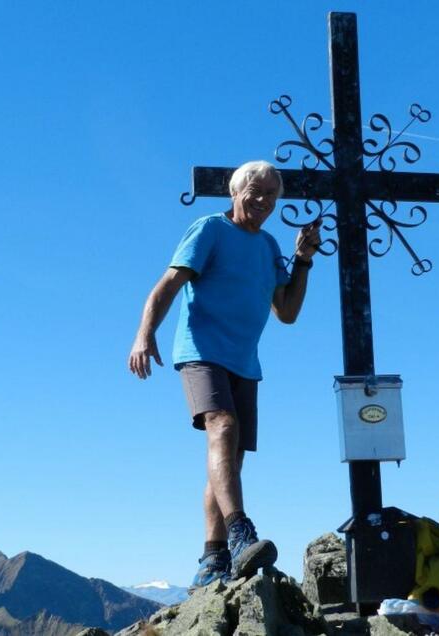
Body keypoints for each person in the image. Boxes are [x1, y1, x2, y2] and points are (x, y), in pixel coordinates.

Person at [128, 160, 320, 589]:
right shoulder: (210, 229)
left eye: (272, 194)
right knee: (222, 424)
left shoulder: (270, 246)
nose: (264, 200)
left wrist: (303, 260)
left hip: (245, 361)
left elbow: (286, 312)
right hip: (202, 351)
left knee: (230, 460)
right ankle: (239, 532)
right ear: (235, 192)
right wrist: (144, 335)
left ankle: (212, 557)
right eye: (256, 191)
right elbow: (169, 283)